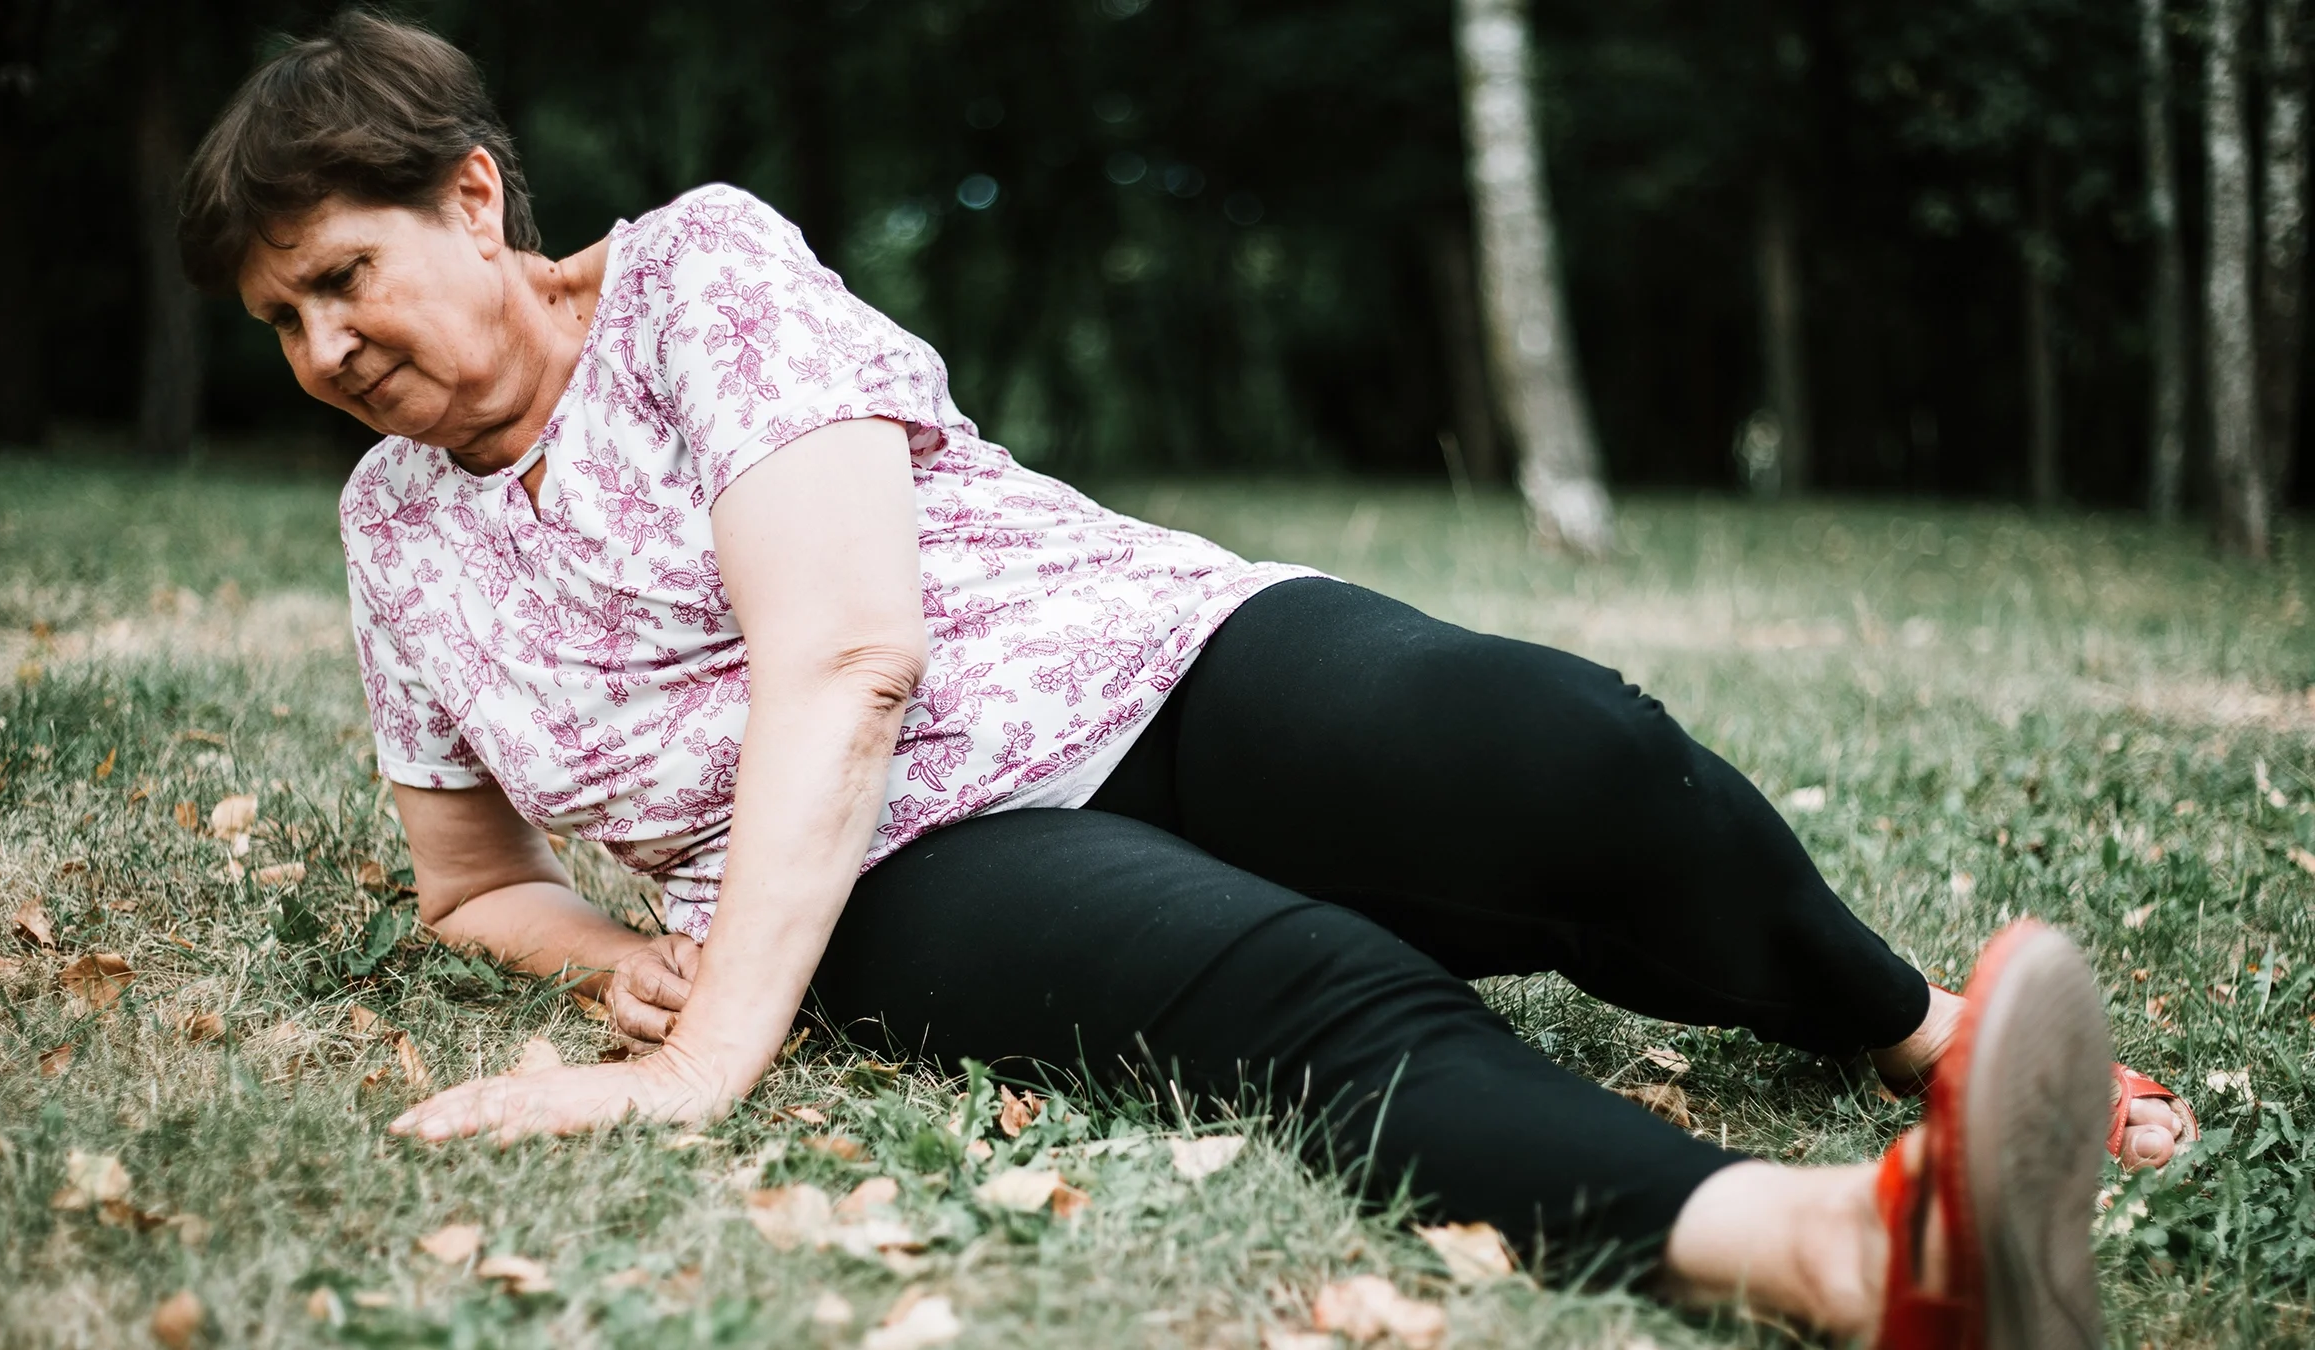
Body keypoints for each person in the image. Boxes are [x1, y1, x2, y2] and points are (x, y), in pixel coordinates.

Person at [179, 13, 2194, 1344]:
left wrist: (708, 1055)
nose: (327, 349)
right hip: (904, 863)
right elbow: (471, 884)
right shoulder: (397, 534)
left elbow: (853, 647)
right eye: (284, 322)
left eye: (341, 276)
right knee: (1311, 999)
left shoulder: (698, 271)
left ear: (470, 200)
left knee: (1568, 752)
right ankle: (1843, 1252)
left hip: (1144, 646)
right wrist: (641, 985)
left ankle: (1917, 1029)